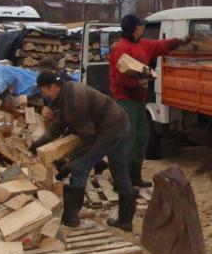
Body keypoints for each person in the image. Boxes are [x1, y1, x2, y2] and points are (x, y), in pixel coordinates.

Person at [29, 71, 136, 231]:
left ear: (52, 87)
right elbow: (59, 125)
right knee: (119, 171)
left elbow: (88, 139)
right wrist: (37, 144)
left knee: (80, 167)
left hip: (111, 129)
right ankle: (125, 221)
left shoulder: (74, 102)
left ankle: (71, 218)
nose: (44, 96)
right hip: (119, 123)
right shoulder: (67, 91)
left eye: (44, 91)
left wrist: (68, 159)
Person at [109, 14, 191, 187]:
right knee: (128, 140)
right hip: (125, 100)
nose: (143, 28)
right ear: (136, 28)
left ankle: (135, 176)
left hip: (139, 100)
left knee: (141, 138)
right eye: (141, 26)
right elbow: (119, 79)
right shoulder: (121, 48)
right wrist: (137, 82)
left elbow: (161, 45)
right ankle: (122, 180)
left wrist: (181, 41)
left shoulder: (144, 44)